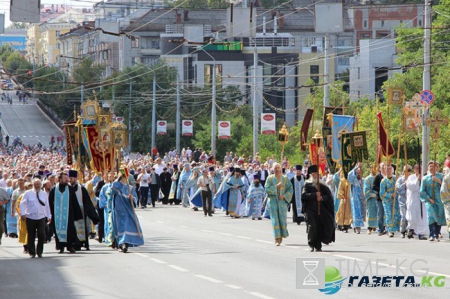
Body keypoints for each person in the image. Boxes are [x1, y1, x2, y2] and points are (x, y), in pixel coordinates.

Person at [301, 165, 335, 252]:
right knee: (312, 226)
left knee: (320, 226)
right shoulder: (307, 184)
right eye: (313, 174)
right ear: (310, 174)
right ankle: (311, 244)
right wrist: (314, 195)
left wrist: (322, 198)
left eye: (316, 173)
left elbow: (328, 197)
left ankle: (318, 245)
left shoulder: (322, 184)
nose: (314, 175)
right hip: (310, 209)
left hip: (321, 210)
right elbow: (304, 196)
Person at [49, 172, 83, 254]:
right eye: (64, 178)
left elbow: (74, 202)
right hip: (57, 214)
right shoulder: (54, 189)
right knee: (58, 230)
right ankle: (60, 247)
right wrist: (49, 213)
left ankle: (69, 246)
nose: (66, 180)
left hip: (68, 214)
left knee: (70, 230)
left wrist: (77, 214)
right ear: (59, 179)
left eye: (67, 178)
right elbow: (49, 202)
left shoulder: (70, 189)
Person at [109, 173, 143, 252]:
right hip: (118, 211)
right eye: (122, 177)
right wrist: (118, 179)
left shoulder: (130, 188)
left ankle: (125, 243)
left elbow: (135, 198)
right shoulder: (116, 186)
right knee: (120, 227)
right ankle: (120, 243)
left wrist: (132, 198)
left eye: (125, 176)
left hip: (128, 211)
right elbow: (111, 191)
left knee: (127, 227)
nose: (124, 178)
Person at [19, 178, 52, 258]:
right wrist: (23, 214)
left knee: (42, 234)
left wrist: (49, 216)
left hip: (41, 217)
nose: (37, 185)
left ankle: (39, 251)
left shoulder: (44, 194)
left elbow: (47, 205)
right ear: (33, 184)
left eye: (39, 184)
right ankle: (32, 252)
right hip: (30, 217)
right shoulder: (28, 193)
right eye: (36, 184)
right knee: (31, 235)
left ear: (41, 185)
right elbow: (22, 204)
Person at [68, 170, 99, 250]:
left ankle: (83, 243)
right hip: (71, 212)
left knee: (82, 228)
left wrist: (91, 214)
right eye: (69, 178)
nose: (70, 180)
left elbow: (87, 202)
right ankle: (74, 244)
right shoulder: (67, 188)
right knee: (72, 228)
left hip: (81, 211)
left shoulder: (81, 188)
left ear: (75, 178)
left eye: (71, 178)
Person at [264, 163, 293, 246]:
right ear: (273, 169)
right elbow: (266, 189)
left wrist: (284, 196)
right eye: (275, 168)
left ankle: (282, 235)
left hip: (282, 202)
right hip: (272, 202)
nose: (277, 169)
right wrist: (276, 186)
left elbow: (290, 189)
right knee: (275, 220)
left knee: (282, 220)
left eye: (278, 168)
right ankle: (277, 238)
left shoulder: (285, 179)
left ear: (280, 169)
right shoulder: (270, 178)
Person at [420, 161, 445, 241]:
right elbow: (422, 191)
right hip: (429, 200)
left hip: (439, 200)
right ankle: (432, 234)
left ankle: (437, 234)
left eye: (433, 166)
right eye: (430, 166)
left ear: (436, 167)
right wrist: (429, 198)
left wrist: (438, 181)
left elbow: (446, 187)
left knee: (438, 217)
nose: (431, 168)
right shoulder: (425, 178)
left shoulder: (441, 176)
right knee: (431, 216)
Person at [406, 164, 427, 240]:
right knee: (412, 216)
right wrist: (417, 180)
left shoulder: (424, 177)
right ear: (414, 169)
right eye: (417, 168)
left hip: (421, 200)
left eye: (420, 168)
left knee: (421, 217)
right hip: (413, 199)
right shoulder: (411, 177)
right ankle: (411, 229)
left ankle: (420, 233)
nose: (418, 170)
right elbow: (410, 187)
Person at [380, 164, 399, 238]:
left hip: (395, 200)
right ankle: (390, 230)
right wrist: (390, 195)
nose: (388, 171)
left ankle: (396, 229)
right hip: (387, 201)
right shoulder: (383, 181)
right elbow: (382, 193)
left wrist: (396, 192)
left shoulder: (395, 178)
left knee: (395, 214)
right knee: (388, 215)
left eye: (389, 169)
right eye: (387, 170)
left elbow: (399, 187)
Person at [15, 182, 33, 253]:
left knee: (31, 232)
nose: (31, 188)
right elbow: (18, 207)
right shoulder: (22, 196)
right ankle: (25, 247)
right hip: (24, 217)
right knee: (24, 232)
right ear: (25, 188)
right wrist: (22, 214)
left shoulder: (34, 195)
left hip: (32, 217)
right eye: (29, 187)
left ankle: (31, 246)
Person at [348, 163, 365, 234]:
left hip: (361, 199)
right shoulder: (354, 180)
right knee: (356, 212)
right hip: (355, 199)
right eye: (357, 173)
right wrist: (356, 167)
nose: (359, 174)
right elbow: (349, 175)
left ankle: (359, 226)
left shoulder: (363, 180)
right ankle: (356, 227)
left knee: (360, 213)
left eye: (360, 172)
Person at [395, 165, 411, 238]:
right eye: (406, 171)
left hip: (410, 200)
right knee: (404, 216)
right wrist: (404, 184)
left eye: (409, 170)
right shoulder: (400, 179)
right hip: (402, 200)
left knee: (410, 216)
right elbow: (397, 188)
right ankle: (402, 230)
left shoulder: (412, 179)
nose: (407, 172)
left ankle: (410, 230)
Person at [373, 162, 387, 236]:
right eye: (382, 166)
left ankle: (388, 228)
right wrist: (381, 190)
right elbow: (374, 187)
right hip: (380, 198)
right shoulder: (378, 177)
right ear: (380, 168)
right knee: (380, 214)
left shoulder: (388, 176)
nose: (384, 167)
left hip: (388, 198)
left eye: (385, 165)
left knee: (388, 214)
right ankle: (380, 229)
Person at [364, 165, 378, 234]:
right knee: (370, 212)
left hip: (378, 198)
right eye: (372, 168)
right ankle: (369, 228)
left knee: (378, 212)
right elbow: (366, 190)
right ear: (370, 169)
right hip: (371, 199)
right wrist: (373, 194)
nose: (374, 170)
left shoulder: (379, 177)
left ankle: (377, 226)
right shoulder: (368, 179)